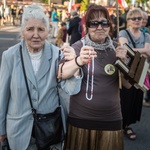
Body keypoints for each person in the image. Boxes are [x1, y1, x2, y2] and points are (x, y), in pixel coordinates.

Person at [0, 4, 85, 150]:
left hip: (50, 128)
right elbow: (3, 95)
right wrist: (1, 130)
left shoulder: (57, 54)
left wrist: (76, 65)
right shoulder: (10, 56)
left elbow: (71, 89)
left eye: (40, 29)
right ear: (22, 32)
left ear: (48, 31)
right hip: (18, 130)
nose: (35, 34)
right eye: (30, 29)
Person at [63, 4, 131, 150]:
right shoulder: (77, 47)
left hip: (111, 120)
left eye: (104, 22)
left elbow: (127, 84)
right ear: (86, 27)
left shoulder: (117, 49)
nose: (100, 27)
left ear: (109, 26)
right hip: (81, 120)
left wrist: (123, 63)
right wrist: (78, 60)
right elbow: (61, 73)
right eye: (94, 23)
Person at [119, 8, 150, 140]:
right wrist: (142, 50)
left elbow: (149, 52)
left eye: (139, 18)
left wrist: (133, 50)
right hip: (126, 70)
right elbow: (124, 51)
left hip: (141, 70)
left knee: (136, 99)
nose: (137, 21)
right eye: (134, 18)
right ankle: (120, 124)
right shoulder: (123, 32)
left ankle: (127, 125)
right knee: (124, 98)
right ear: (129, 21)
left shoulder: (146, 35)